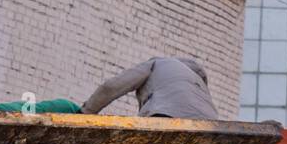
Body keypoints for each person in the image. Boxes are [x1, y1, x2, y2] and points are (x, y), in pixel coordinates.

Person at [81, 56, 217, 119]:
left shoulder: (158, 63)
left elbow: (111, 87)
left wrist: (85, 113)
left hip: (166, 118)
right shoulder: (198, 83)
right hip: (211, 128)